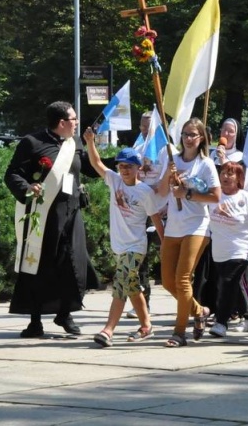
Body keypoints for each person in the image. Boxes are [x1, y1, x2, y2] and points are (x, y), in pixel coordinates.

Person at [5, 101, 100, 338]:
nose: (77, 123)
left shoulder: (75, 143)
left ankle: (65, 313)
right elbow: (12, 174)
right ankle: (35, 321)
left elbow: (90, 168)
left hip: (72, 212)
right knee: (40, 266)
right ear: (62, 122)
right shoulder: (32, 142)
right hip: (44, 214)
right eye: (74, 119)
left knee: (74, 263)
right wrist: (28, 187)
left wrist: (124, 164)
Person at [83, 132, 164, 347]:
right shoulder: (114, 181)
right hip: (119, 246)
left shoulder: (145, 191)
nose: (124, 170)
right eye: (121, 166)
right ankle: (146, 326)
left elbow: (156, 218)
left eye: (129, 166)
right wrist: (90, 142)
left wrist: (165, 243)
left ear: (138, 168)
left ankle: (108, 330)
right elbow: (97, 163)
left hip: (136, 246)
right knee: (131, 286)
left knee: (120, 284)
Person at [157, 118, 221, 348]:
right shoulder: (172, 160)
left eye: (193, 134)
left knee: (183, 279)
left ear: (201, 138)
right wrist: (168, 177)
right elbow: (162, 192)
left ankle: (179, 332)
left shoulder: (205, 164)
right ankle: (199, 310)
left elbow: (215, 196)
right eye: (185, 134)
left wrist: (188, 195)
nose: (188, 138)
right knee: (166, 281)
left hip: (197, 226)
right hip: (174, 225)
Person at [207, 162, 248, 337]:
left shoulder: (247, 198)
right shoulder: (213, 197)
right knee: (234, 284)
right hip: (219, 250)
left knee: (227, 281)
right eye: (223, 173)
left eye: (230, 174)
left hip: (241, 249)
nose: (225, 176)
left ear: (239, 178)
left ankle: (221, 323)